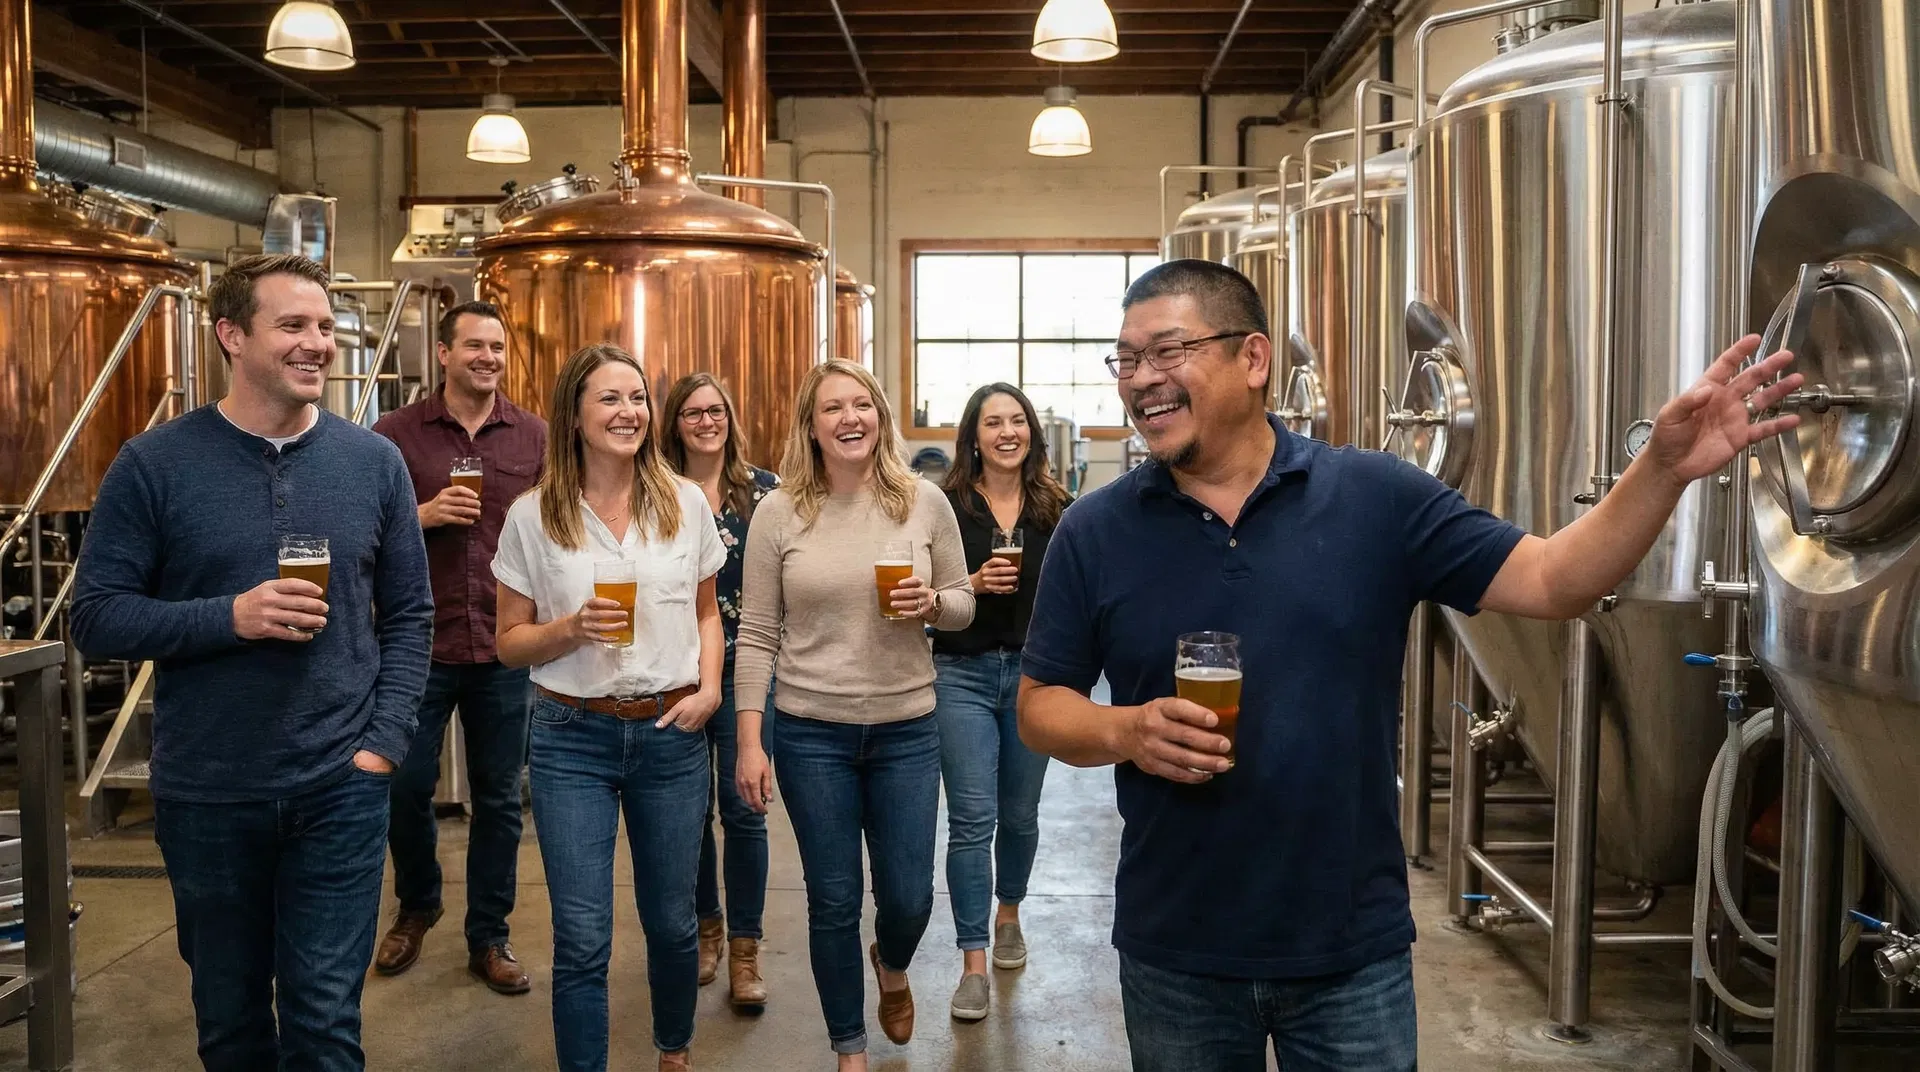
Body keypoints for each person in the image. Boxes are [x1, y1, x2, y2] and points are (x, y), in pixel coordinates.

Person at [1015, 258, 1804, 1072]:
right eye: (1126, 359)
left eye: (1166, 351)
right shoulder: (1096, 531)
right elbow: (1042, 706)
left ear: (1252, 360)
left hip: (1350, 949)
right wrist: (1127, 730)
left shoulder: (1373, 498)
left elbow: (1553, 579)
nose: (1141, 380)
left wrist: (1663, 470)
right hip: (1175, 946)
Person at [70, 253, 435, 1071]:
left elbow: (412, 615)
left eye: (326, 327)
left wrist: (381, 746)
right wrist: (229, 616)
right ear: (232, 335)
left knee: (325, 1027)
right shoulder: (155, 464)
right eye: (294, 326)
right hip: (210, 794)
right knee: (231, 1027)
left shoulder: (371, 461)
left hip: (339, 790)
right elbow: (95, 617)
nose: (318, 345)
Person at [732, 359, 976, 1070]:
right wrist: (752, 739)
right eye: (833, 407)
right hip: (811, 732)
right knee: (833, 898)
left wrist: (932, 604)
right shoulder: (780, 513)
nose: (850, 419)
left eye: (862, 404)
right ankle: (849, 1049)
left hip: (905, 727)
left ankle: (891, 962)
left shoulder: (922, 501)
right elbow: (757, 634)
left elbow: (962, 602)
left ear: (881, 417)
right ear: (810, 425)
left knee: (907, 896)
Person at [491, 343, 726, 1072]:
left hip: (669, 731)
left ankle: (673, 1052)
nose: (628, 413)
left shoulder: (684, 501)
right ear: (575, 415)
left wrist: (711, 692)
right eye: (610, 399)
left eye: (637, 399)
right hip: (571, 738)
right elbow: (507, 644)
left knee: (673, 923)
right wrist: (567, 629)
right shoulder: (533, 516)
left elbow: (708, 613)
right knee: (583, 934)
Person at [370, 300, 548, 993]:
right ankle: (418, 903)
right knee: (404, 785)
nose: (487, 358)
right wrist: (426, 514)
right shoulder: (394, 435)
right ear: (443, 354)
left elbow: (554, 531)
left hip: (504, 644)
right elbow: (365, 532)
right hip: (419, 641)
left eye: (497, 348)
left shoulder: (531, 437)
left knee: (500, 797)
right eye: (474, 345)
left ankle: (489, 935)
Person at [932, 382, 1070, 1022]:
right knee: (971, 820)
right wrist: (972, 583)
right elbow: (924, 595)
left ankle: (1008, 910)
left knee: (1019, 813)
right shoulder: (945, 506)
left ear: (1031, 434)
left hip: (1032, 678)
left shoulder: (1057, 508)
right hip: (959, 672)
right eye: (994, 422)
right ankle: (972, 962)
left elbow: (1077, 598)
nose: (1007, 431)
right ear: (974, 436)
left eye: (1017, 421)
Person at [660, 371, 780, 1009]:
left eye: (715, 412)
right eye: (692, 414)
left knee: (745, 809)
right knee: (688, 816)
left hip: (748, 675)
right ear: (674, 424)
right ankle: (708, 928)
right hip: (676, 672)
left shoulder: (767, 493)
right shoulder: (657, 491)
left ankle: (746, 949)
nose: (706, 422)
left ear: (730, 418)